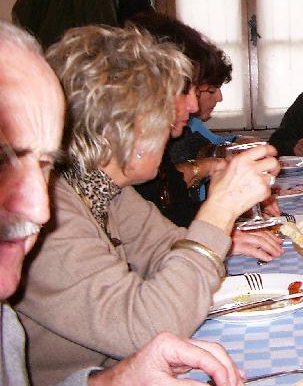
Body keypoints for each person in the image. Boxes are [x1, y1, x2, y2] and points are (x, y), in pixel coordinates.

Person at [14, 25, 279, 385]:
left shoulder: (107, 191)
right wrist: (220, 212)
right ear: (124, 129)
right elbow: (150, 325)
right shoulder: (46, 212)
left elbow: (168, 250)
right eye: (163, 114)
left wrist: (219, 238)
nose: (176, 124)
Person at [126, 13, 273, 230]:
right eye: (185, 89)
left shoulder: (148, 160)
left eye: (195, 90)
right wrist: (224, 207)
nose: (193, 106)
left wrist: (233, 215)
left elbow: (173, 226)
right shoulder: (101, 185)